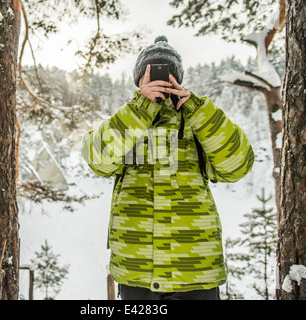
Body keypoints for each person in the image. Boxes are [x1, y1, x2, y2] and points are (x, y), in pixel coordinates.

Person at [81, 36, 255, 300]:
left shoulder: (197, 120)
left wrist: (198, 111)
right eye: (152, 75)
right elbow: (98, 159)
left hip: (195, 272)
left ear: (178, 79)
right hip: (138, 273)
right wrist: (140, 109)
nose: (160, 81)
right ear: (139, 81)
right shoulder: (128, 121)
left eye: (167, 74)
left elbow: (238, 165)